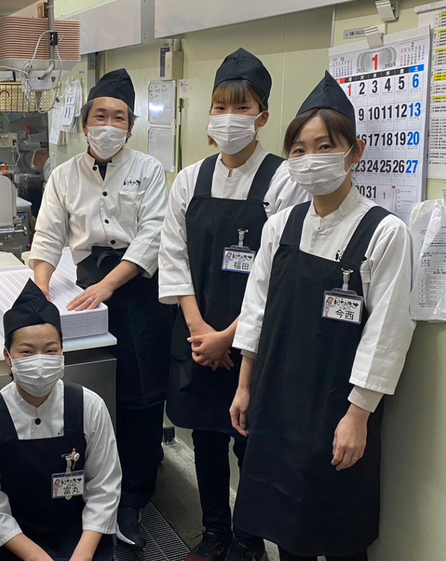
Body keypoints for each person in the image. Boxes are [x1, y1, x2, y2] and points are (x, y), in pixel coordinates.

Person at [229, 72, 416, 561]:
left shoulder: (384, 233)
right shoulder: (280, 226)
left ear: (355, 152)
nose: (310, 159)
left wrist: (358, 415)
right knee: (283, 526)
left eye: (324, 146)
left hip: (338, 406)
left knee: (339, 531)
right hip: (276, 398)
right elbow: (256, 308)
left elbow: (387, 332)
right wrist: (245, 385)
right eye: (299, 149)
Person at [158, 48, 308, 561]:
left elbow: (279, 274)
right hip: (198, 336)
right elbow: (173, 257)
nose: (228, 118)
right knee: (204, 439)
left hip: (252, 342)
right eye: (220, 107)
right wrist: (200, 329)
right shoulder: (189, 179)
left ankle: (248, 541)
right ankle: (214, 533)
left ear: (262, 116)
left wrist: (231, 337)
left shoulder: (284, 181)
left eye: (241, 108)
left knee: (251, 443)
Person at [29, 68, 174, 549]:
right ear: (84, 122)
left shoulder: (149, 170)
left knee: (142, 398)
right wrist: (40, 292)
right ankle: (91, 488)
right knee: (91, 390)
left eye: (119, 118)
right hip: (87, 285)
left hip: (140, 290)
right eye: (101, 116)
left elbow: (153, 234)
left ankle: (133, 499)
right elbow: (48, 236)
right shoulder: (63, 176)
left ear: (130, 128)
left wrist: (110, 286)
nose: (109, 125)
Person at [0, 280, 121, 561]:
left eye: (50, 350)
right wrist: (37, 557)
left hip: (80, 536)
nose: (40, 361)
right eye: (26, 351)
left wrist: (82, 555)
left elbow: (104, 488)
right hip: (13, 542)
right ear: (8, 357)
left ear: (62, 352)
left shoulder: (89, 406)